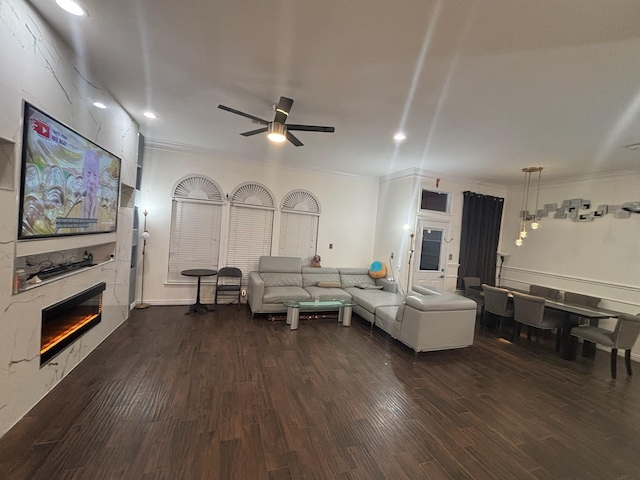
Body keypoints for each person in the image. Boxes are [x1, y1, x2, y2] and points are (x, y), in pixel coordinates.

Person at [81, 150, 100, 220]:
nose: (92, 181)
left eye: (95, 175)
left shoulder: (104, 215)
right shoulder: (72, 211)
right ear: (83, 173)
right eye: (88, 172)